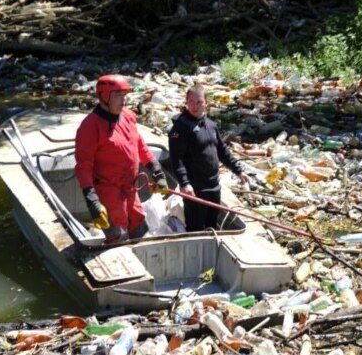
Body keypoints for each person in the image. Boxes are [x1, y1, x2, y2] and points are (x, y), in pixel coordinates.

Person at [75, 74, 168, 242]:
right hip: (108, 194)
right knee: (117, 239)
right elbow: (83, 168)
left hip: (131, 190)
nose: (123, 100)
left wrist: (157, 173)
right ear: (104, 97)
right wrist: (93, 201)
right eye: (118, 96)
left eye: (125, 96)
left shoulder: (127, 116)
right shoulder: (89, 127)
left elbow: (140, 146)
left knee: (140, 229)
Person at [168, 84, 250, 231]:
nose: (195, 106)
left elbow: (222, 150)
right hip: (195, 189)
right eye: (191, 102)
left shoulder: (211, 125)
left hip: (213, 186)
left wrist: (238, 170)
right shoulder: (180, 128)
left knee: (212, 226)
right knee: (196, 229)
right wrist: (184, 183)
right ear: (186, 102)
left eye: (199, 102)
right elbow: (176, 159)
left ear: (206, 102)